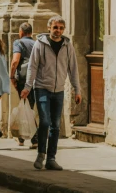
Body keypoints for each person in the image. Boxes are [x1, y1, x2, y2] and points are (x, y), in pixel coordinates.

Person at [21, 16, 81, 171]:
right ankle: (41, 154)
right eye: (55, 27)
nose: (58, 31)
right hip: (42, 88)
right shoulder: (40, 44)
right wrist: (28, 87)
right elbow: (32, 67)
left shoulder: (68, 46)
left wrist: (77, 90)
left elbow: (73, 69)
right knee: (45, 121)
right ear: (49, 28)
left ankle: (51, 159)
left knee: (55, 126)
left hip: (59, 90)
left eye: (61, 28)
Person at [11, 22, 38, 148]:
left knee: (25, 105)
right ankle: (23, 138)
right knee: (29, 107)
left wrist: (11, 76)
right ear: (31, 33)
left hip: (23, 79)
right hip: (36, 79)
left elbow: (15, 60)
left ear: (21, 32)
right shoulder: (37, 44)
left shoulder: (18, 43)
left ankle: (33, 139)